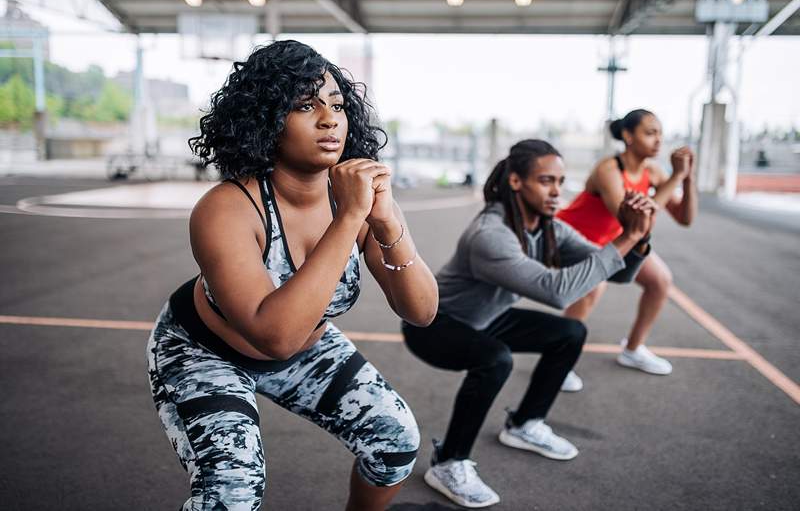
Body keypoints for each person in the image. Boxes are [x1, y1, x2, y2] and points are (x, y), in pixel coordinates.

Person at [146, 40, 438, 511]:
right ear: (267, 121)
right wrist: (348, 220)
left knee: (394, 438)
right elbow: (274, 337)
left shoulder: (362, 201)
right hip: (204, 352)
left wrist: (385, 223)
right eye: (305, 106)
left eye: (337, 105)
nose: (329, 119)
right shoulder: (226, 209)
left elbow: (422, 311)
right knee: (233, 492)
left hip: (308, 348)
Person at [402, 139, 654, 508]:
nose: (557, 191)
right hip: (436, 326)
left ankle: (525, 424)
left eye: (561, 181)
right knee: (495, 360)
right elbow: (558, 292)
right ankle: (448, 462)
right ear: (517, 182)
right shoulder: (491, 234)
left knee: (570, 333)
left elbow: (618, 272)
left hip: (488, 317)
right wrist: (626, 236)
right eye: (546, 180)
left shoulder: (550, 228)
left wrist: (640, 234)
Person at [557, 109, 697, 380]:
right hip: (575, 237)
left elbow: (685, 218)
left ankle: (632, 350)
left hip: (616, 239)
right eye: (649, 132)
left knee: (660, 280)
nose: (658, 140)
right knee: (592, 289)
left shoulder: (652, 171)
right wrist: (675, 178)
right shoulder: (608, 169)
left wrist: (688, 178)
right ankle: (558, 363)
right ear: (627, 135)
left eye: (660, 133)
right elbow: (631, 217)